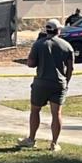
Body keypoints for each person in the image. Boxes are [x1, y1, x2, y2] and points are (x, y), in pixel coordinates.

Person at [18, 18, 74, 152]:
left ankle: (31, 139)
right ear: (58, 30)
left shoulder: (38, 44)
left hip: (41, 83)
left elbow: (31, 64)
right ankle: (54, 143)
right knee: (57, 113)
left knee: (35, 110)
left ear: (46, 30)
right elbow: (71, 68)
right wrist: (66, 82)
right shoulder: (67, 46)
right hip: (58, 84)